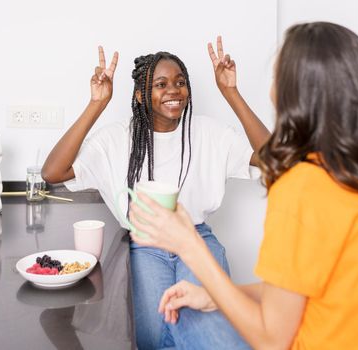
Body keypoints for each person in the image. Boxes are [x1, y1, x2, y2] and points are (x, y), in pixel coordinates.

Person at [129, 22, 358, 349]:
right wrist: (214, 294)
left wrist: (190, 246)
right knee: (191, 308)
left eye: (276, 77)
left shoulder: (302, 187)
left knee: (185, 322)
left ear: (292, 94)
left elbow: (271, 340)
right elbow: (306, 290)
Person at [42, 38, 269, 349]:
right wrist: (97, 104)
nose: (174, 91)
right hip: (143, 244)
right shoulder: (117, 139)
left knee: (201, 325)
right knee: (154, 336)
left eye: (180, 82)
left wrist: (231, 93)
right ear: (141, 94)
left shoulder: (209, 133)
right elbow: (52, 173)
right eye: (161, 84)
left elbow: (276, 160)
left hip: (197, 237)